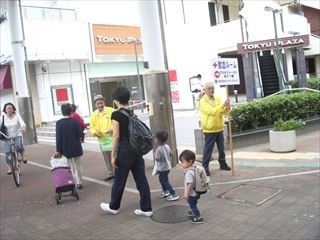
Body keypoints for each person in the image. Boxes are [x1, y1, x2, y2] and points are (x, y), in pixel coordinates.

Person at [100, 86, 153, 217]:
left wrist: (113, 155)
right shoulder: (130, 113)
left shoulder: (116, 114)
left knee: (119, 180)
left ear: (116, 100)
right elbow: (128, 130)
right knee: (141, 180)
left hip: (124, 152)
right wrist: (113, 129)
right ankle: (147, 208)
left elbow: (117, 136)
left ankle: (114, 206)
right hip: (136, 150)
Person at [199, 81, 231, 176]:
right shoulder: (203, 100)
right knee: (208, 149)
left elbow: (222, 112)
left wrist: (227, 108)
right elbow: (211, 111)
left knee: (221, 147)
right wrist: (223, 106)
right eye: (209, 88)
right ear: (204, 90)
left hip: (219, 127)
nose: (211, 90)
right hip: (209, 129)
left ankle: (222, 163)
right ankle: (205, 166)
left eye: (212, 88)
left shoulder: (217, 97)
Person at [54, 103, 84, 189]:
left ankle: (73, 182)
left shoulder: (59, 123)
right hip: (76, 147)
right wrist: (82, 136)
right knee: (78, 165)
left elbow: (58, 137)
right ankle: (79, 182)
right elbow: (80, 134)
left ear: (62, 112)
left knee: (69, 166)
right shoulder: (74, 121)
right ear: (71, 112)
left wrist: (58, 150)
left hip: (65, 148)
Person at [89, 94, 115, 181]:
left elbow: (116, 122)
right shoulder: (93, 115)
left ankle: (118, 171)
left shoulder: (111, 111)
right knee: (106, 157)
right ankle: (110, 172)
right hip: (102, 140)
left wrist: (112, 129)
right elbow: (92, 127)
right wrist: (95, 133)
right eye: (98, 104)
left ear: (104, 102)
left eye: (101, 103)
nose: (100, 105)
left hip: (112, 137)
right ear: (95, 105)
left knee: (114, 154)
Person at [1, 103, 27, 174]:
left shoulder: (16, 116)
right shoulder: (2, 117)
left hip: (16, 134)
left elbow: (22, 123)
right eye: (8, 108)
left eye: (11, 108)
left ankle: (22, 155)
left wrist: (23, 127)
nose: (9, 109)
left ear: (13, 109)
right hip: (7, 137)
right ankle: (10, 168)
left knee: (18, 145)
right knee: (8, 152)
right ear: (5, 110)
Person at [179, 149, 204, 224]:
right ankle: (194, 211)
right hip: (197, 191)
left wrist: (187, 194)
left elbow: (190, 184)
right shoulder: (195, 168)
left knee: (192, 204)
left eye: (183, 162)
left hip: (192, 193)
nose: (181, 164)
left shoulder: (188, 173)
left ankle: (197, 217)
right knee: (194, 203)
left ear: (189, 161)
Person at [153, 131, 179, 201]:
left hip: (162, 168)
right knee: (162, 179)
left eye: (155, 138)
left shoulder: (158, 150)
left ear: (158, 140)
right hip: (167, 167)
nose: (154, 140)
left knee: (164, 180)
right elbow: (170, 153)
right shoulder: (167, 146)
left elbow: (157, 159)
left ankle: (173, 193)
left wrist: (155, 156)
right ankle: (165, 191)